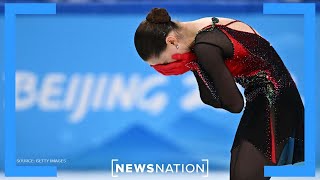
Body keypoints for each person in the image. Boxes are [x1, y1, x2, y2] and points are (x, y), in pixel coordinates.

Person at [134, 8, 304, 180]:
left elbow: (235, 104)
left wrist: (196, 64)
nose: (166, 69)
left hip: (275, 103)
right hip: (265, 102)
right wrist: (194, 63)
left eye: (164, 63)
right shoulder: (203, 29)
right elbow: (210, 98)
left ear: (171, 41)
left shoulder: (205, 47)